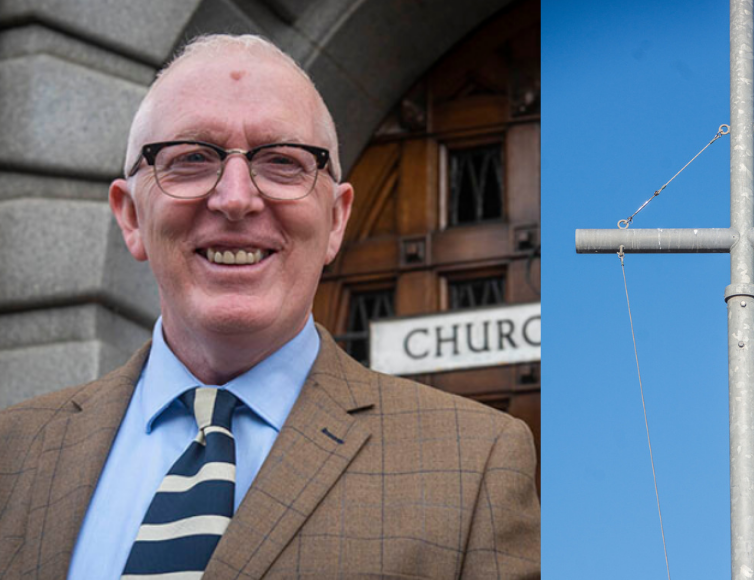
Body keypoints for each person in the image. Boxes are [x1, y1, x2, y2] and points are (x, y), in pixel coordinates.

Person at [0, 34, 539, 579]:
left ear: (336, 220)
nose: (235, 198)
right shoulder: (12, 452)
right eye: (191, 158)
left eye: (283, 161)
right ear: (131, 216)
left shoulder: (474, 464)